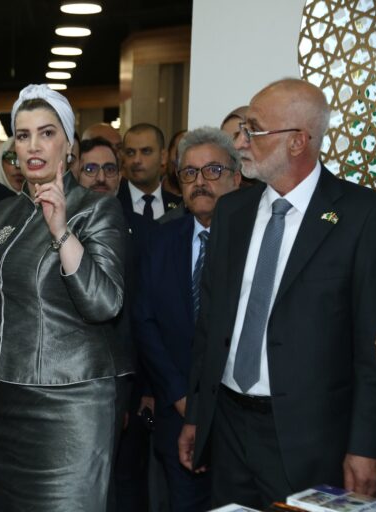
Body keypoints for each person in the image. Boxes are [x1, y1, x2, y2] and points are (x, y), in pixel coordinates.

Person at [179, 79, 376, 508]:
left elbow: (374, 349)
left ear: (297, 141)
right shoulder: (232, 211)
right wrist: (198, 415)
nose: (240, 142)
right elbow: (210, 326)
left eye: (253, 130)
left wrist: (367, 445)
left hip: (310, 438)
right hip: (228, 427)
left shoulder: (363, 216)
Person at [0, 84, 129, 511]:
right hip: (3, 403)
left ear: (69, 145)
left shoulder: (95, 208)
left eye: (47, 133)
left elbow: (104, 303)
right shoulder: (3, 212)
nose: (34, 146)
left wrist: (60, 230)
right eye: (23, 135)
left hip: (71, 404)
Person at [136, 127, 242, 512]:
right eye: (189, 173)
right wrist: (181, 397)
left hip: (240, 421)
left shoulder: (257, 243)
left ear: (236, 177)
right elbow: (145, 322)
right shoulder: (160, 240)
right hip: (177, 413)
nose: (200, 182)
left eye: (212, 170)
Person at [77, 136, 158, 512]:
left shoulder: (143, 231)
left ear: (120, 176)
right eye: (90, 169)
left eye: (109, 169)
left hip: (129, 386)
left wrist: (143, 390)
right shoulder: (56, 231)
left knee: (124, 487)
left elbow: (147, 316)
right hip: (72, 388)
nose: (101, 178)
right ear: (75, 172)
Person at [117, 123, 181, 221]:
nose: (136, 160)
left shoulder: (180, 207)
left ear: (163, 157)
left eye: (146, 151)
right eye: (130, 152)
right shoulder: (113, 205)